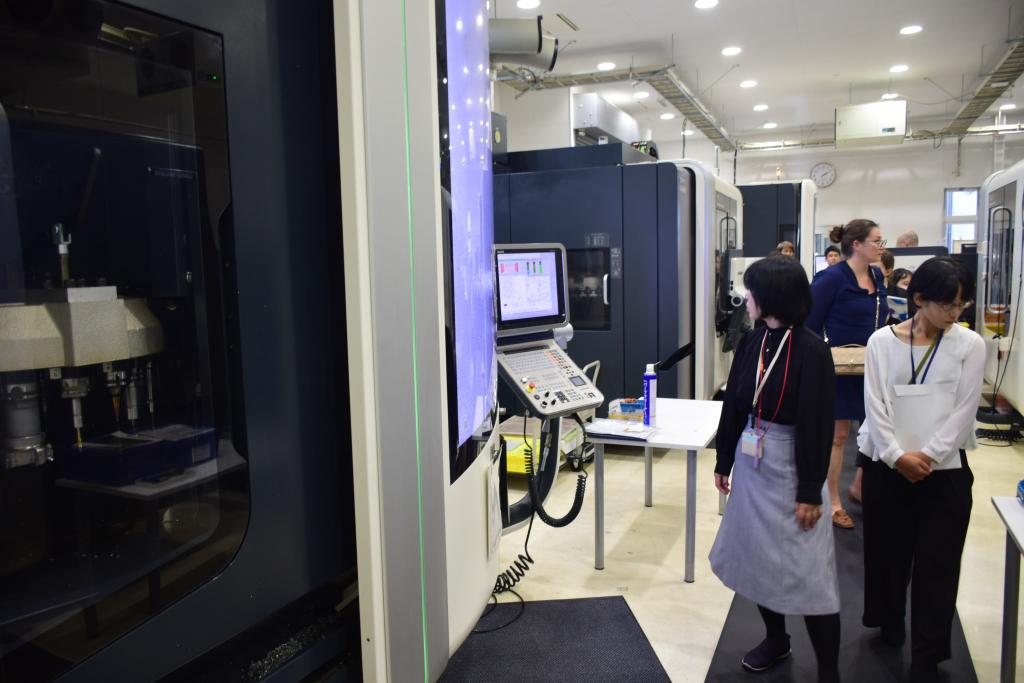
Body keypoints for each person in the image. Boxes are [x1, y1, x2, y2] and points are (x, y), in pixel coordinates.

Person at [710, 256, 840, 683]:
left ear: (771, 297)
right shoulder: (753, 341)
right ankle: (776, 639)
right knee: (759, 561)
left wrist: (809, 490)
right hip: (753, 459)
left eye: (751, 291)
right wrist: (724, 459)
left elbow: (818, 424)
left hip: (793, 462)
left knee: (809, 574)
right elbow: (734, 405)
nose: (746, 297)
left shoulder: (812, 350)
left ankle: (828, 670)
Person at [857, 257, 983, 683]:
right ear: (919, 299)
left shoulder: (969, 345)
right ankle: (889, 621)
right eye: (948, 304)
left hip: (944, 472)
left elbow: (965, 411)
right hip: (887, 468)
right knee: (887, 555)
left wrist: (926, 456)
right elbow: (875, 405)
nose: (955, 313)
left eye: (962, 304)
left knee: (938, 567)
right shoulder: (881, 342)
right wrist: (897, 456)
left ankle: (927, 656)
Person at [806, 220, 889, 526]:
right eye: (876, 241)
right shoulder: (831, 278)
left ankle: (858, 487)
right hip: (839, 367)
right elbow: (809, 324)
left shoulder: (877, 275)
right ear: (856, 244)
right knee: (838, 436)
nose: (881, 247)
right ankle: (833, 502)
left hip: (872, 365)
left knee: (875, 431)